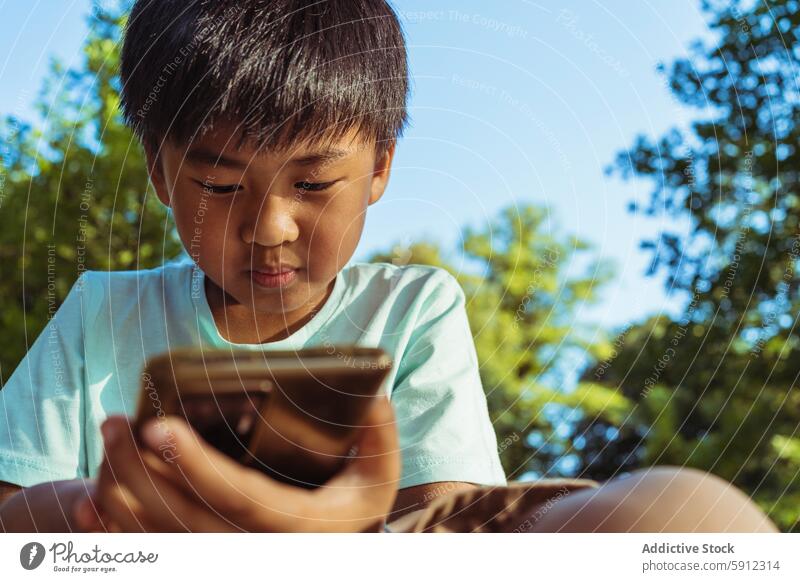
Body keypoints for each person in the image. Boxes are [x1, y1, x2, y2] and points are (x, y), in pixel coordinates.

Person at [0, 0, 778, 534]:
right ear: (161, 175)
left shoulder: (413, 308)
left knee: (691, 517)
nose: (269, 226)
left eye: (312, 184)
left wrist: (325, 528)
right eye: (221, 185)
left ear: (379, 168)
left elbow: (445, 515)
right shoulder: (103, 314)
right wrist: (101, 507)